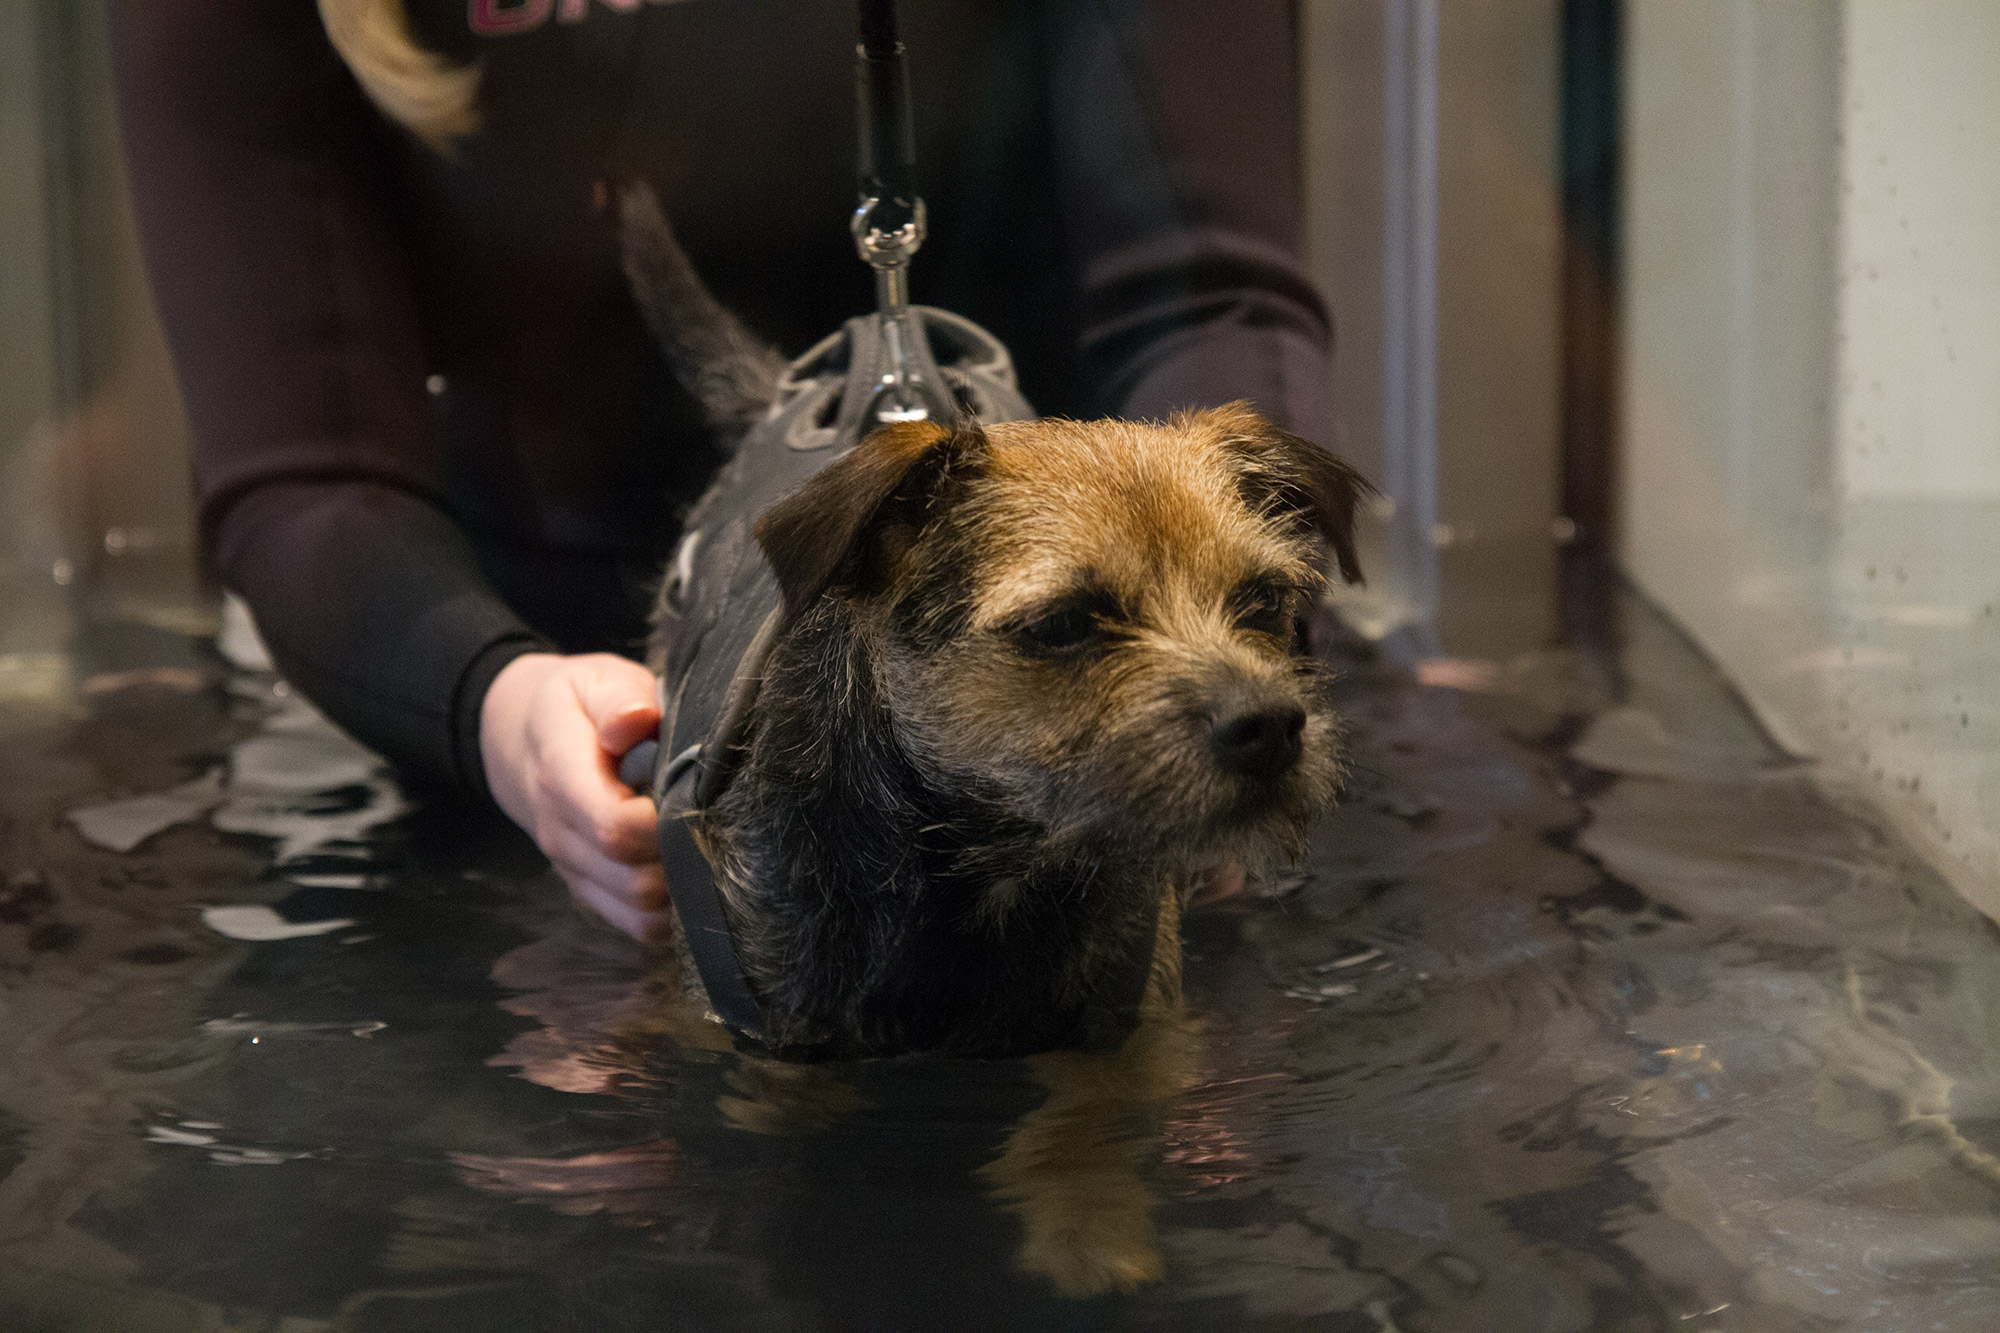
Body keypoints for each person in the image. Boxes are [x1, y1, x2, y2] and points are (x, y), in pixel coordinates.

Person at [112, 0, 1333, 941]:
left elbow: (1209, 294)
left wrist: (1233, 637)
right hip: (550, 709)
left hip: (1093, 676)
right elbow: (307, 477)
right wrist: (494, 703)